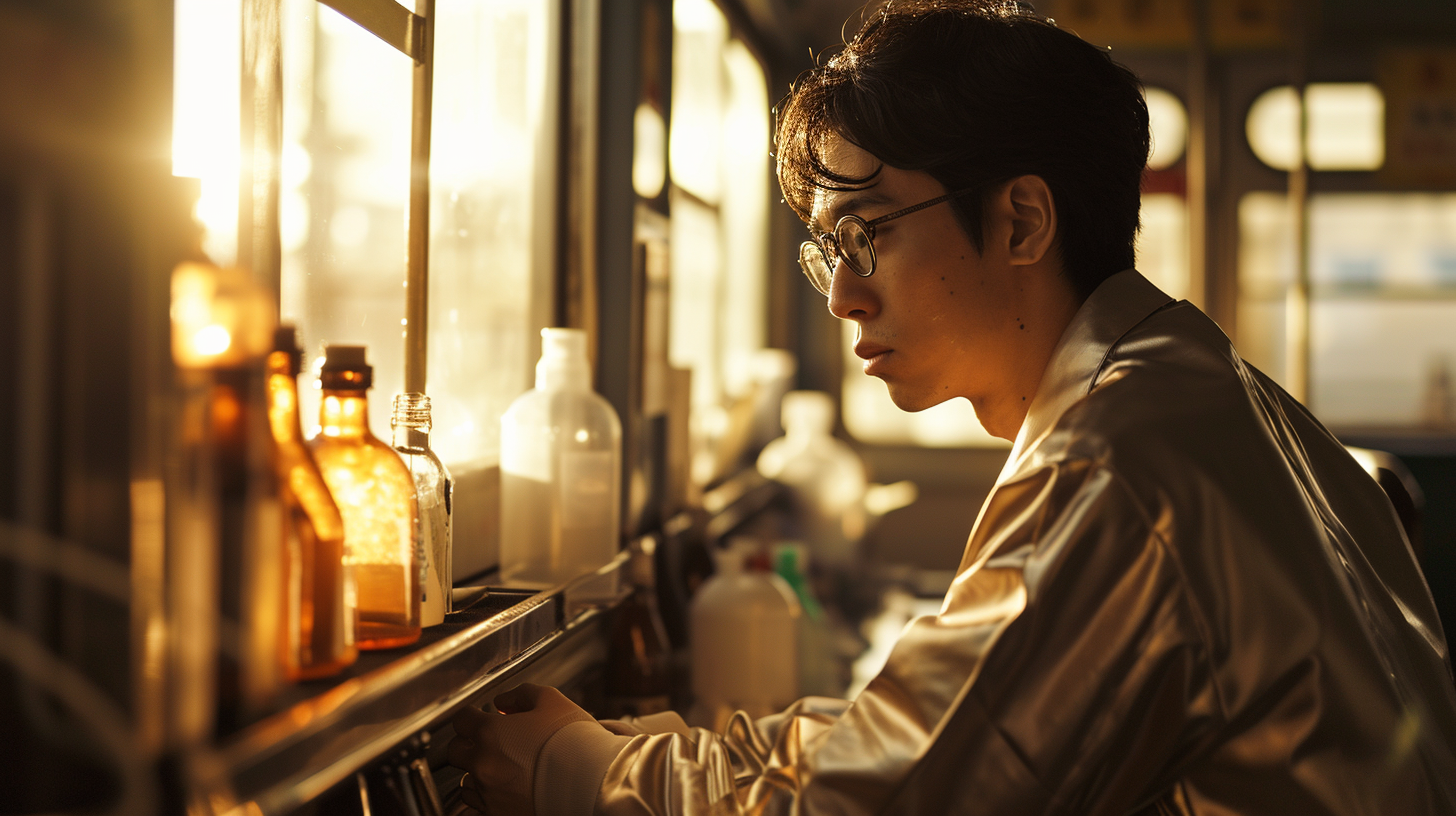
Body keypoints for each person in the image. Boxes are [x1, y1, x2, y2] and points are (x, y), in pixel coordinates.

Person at [446, 2, 1456, 814]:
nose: (841, 293)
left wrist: (581, 775)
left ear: (1020, 220)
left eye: (866, 233)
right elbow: (935, 731)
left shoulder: (1110, 466)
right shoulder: (1197, 387)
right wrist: (662, 749)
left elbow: (891, 799)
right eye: (826, 251)